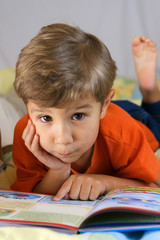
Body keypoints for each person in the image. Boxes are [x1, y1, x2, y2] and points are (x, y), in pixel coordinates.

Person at [11, 23, 160, 201]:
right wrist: (59, 170)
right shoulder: (27, 134)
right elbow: (32, 196)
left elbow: (153, 187)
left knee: (155, 124)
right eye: (46, 117)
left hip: (135, 119)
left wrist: (105, 182)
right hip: (94, 106)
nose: (63, 139)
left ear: (105, 105)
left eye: (77, 116)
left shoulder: (122, 134)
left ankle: (149, 91)